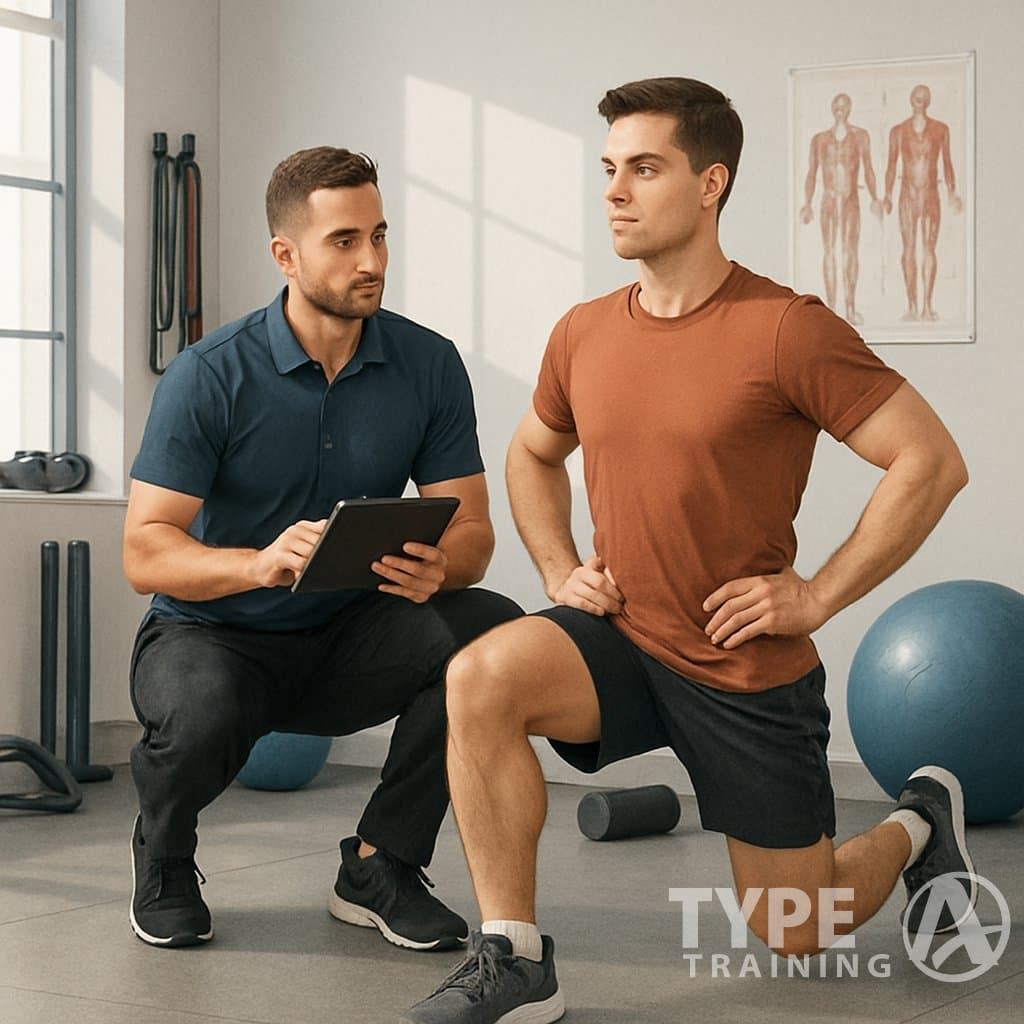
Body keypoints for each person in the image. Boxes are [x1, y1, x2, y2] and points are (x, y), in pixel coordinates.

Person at [403, 78, 972, 1023]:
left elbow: (930, 460)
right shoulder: (583, 331)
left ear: (711, 184)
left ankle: (918, 822)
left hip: (741, 667)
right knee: (481, 678)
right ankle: (515, 958)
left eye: (645, 168)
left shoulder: (787, 328)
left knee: (798, 923)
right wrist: (556, 567)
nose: (616, 191)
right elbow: (532, 453)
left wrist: (818, 595)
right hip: (623, 637)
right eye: (609, 169)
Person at [123, 147, 522, 952]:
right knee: (200, 712)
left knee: (493, 631)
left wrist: (443, 566)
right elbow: (145, 552)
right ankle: (165, 855)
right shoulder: (208, 375)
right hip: (213, 637)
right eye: (344, 241)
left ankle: (379, 865)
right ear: (286, 254)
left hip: (349, 635)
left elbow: (473, 530)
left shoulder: (427, 363)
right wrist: (257, 562)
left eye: (379, 235)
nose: (371, 260)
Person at [800, 92, 882, 325]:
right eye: (837, 104)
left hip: (851, 200)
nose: (840, 108)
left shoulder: (860, 137)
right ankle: (832, 309)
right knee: (829, 252)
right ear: (831, 107)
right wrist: (807, 203)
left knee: (850, 252)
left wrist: (876, 198)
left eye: (845, 105)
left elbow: (869, 169)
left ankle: (850, 307)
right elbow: (811, 173)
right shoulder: (820, 140)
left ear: (850, 108)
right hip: (828, 200)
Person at [883, 84, 962, 322]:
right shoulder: (898, 131)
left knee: (928, 249)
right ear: (911, 99)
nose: (920, 99)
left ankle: (927, 306)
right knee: (908, 249)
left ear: (928, 101)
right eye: (917, 95)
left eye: (924, 96)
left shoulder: (940, 129)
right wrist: (886, 194)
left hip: (930, 195)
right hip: (907, 194)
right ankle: (911, 305)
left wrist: (951, 192)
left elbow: (947, 162)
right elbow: (891, 164)